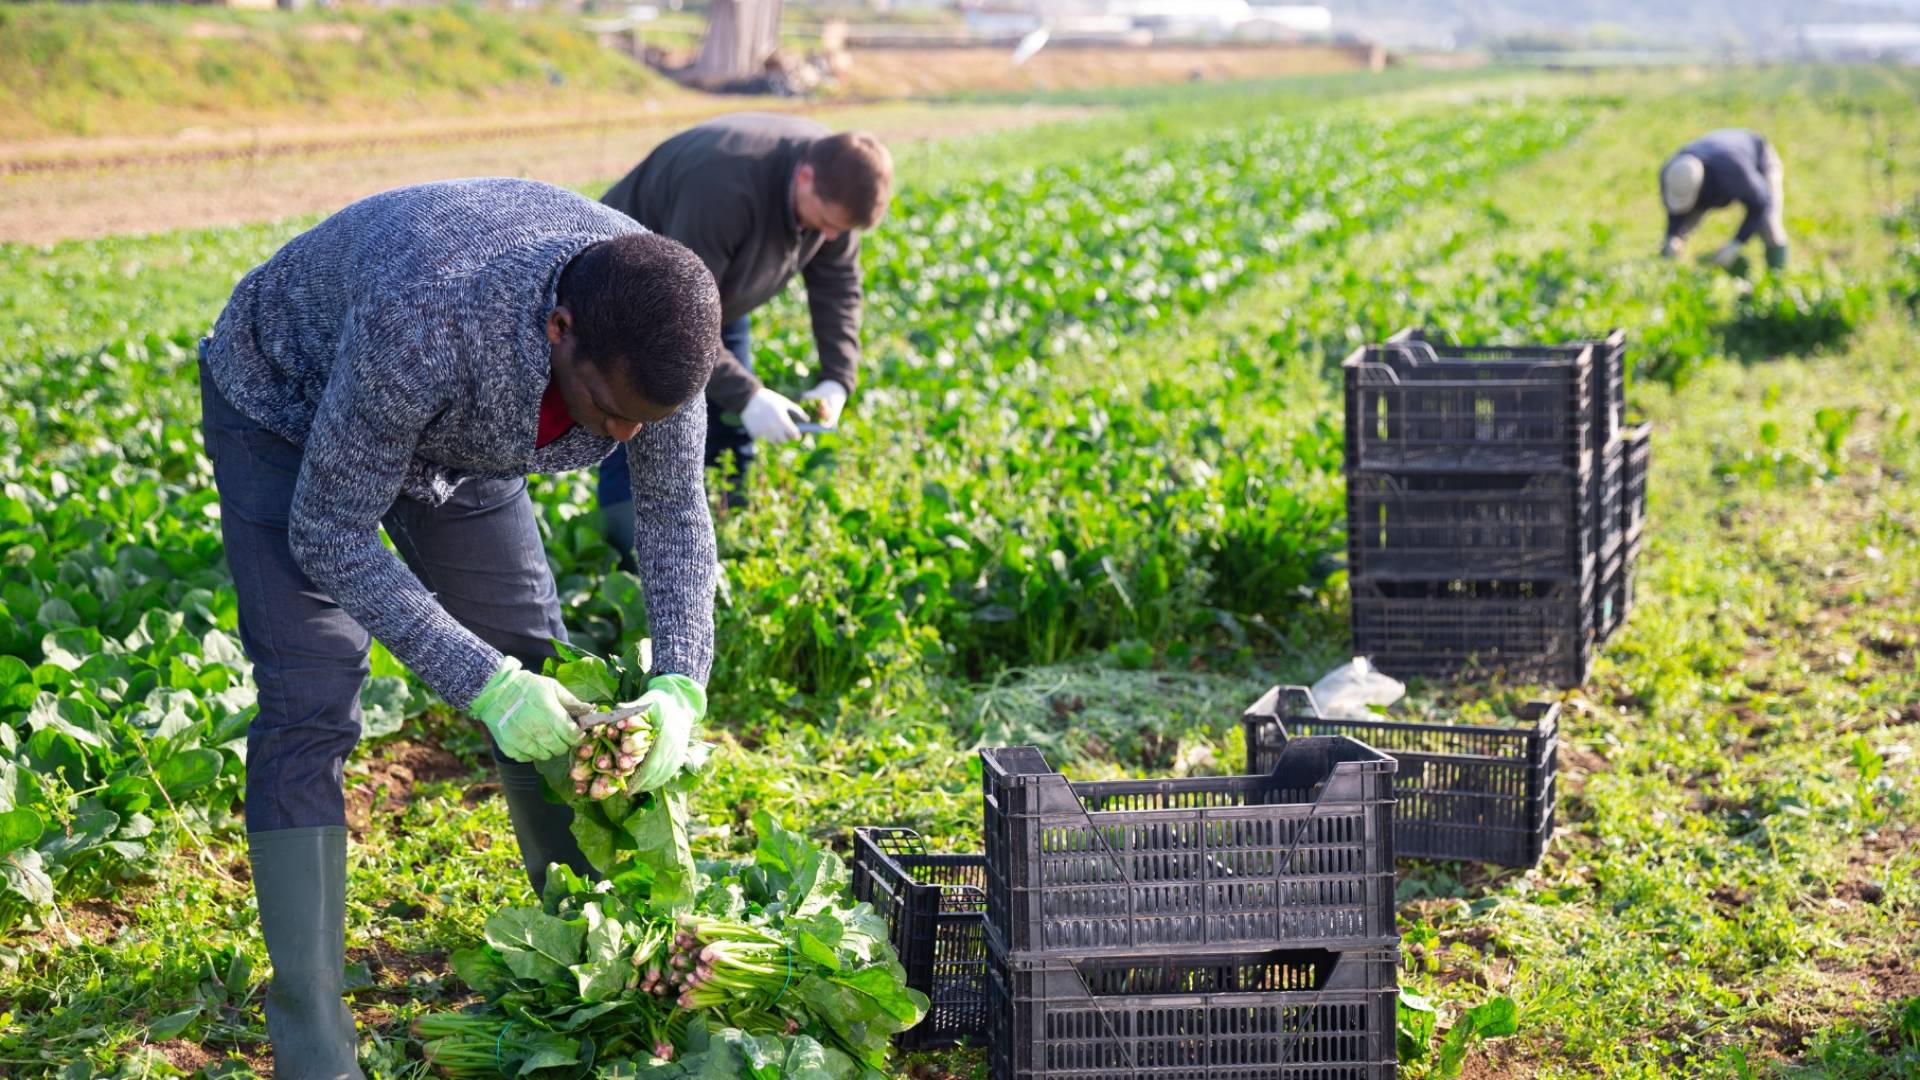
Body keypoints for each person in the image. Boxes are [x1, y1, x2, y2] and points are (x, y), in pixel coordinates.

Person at [196, 178, 719, 1079]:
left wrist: (681, 681)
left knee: (538, 661)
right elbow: (329, 531)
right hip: (287, 409)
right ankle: (311, 1030)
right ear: (562, 330)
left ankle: (588, 958)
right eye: (612, 412)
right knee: (311, 695)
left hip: (461, 434)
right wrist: (481, 684)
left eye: (650, 421)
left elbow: (672, 515)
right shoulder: (429, 322)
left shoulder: (660, 337)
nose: (629, 432)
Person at [595, 113, 893, 537]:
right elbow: (676, 318)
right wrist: (748, 395)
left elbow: (838, 286)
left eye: (839, 231)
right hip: (628, 295)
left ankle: (725, 530)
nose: (828, 238)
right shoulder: (722, 189)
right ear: (805, 176)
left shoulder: (838, 184)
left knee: (729, 431)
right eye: (826, 223)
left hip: (715, 293)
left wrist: (837, 378)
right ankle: (625, 558)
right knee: (636, 424)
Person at [1659, 128, 1789, 271]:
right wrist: (1672, 235)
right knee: (1677, 238)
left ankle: (1778, 278)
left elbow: (1761, 203)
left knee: (1770, 225)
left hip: (1759, 158)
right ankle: (1671, 270)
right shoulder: (1671, 172)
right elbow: (1677, 209)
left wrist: (1736, 243)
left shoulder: (1732, 173)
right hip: (1717, 165)